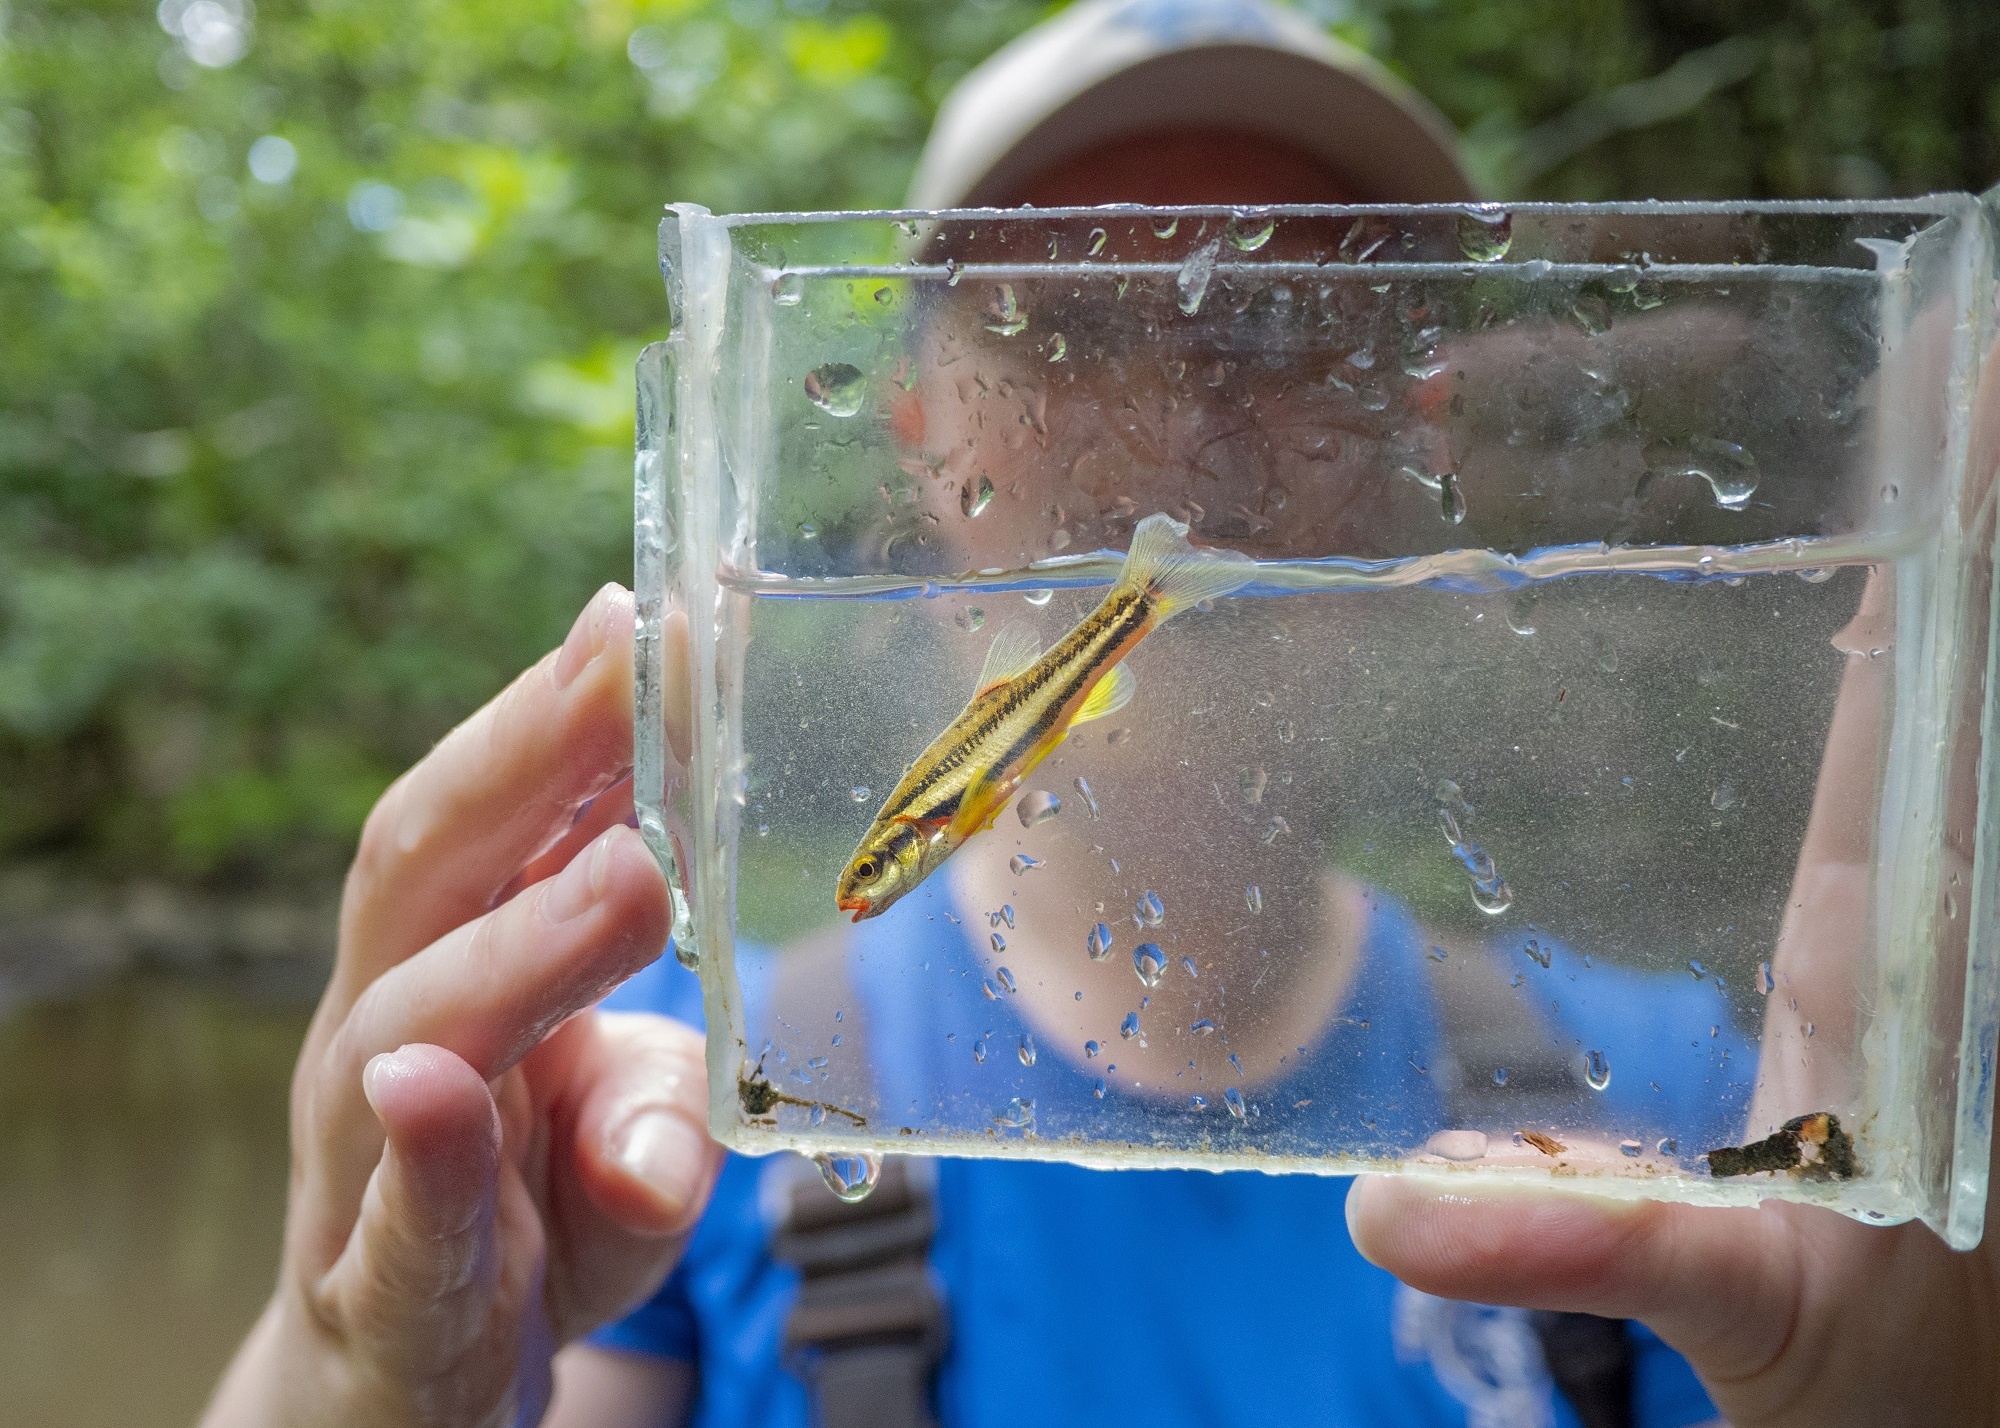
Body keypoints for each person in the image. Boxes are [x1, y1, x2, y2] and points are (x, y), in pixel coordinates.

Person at [201, 4, 2000, 1428]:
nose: (1179, 422)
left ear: (1418, 434)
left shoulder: (1704, 1111)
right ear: (912, 425)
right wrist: (346, 1382)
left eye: (1291, 321)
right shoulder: (647, 1110)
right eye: (1063, 318)